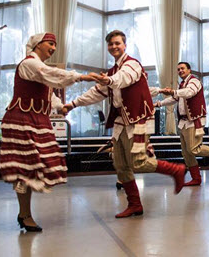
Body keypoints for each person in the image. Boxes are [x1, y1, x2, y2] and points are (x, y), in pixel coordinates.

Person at [63, 30, 186, 218]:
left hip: (139, 121)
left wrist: (110, 80)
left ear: (124, 45)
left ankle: (176, 170)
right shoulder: (112, 71)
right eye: (111, 44)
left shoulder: (132, 65)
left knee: (138, 162)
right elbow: (96, 93)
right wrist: (72, 104)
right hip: (121, 122)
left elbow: (123, 78)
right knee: (120, 165)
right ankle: (135, 204)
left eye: (117, 43)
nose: (114, 47)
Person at [0, 33, 99, 232]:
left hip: (38, 120)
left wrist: (62, 107)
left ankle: (23, 210)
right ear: (37, 44)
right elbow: (51, 75)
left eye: (55, 44)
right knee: (26, 168)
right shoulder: (30, 64)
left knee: (36, 166)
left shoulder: (40, 70)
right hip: (23, 119)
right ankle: (24, 213)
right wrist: (81, 77)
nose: (53, 48)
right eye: (50, 43)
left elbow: (48, 91)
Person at [155, 62, 209, 187]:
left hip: (194, 121)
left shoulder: (194, 81)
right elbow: (176, 98)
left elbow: (189, 93)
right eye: (178, 69)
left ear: (189, 70)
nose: (180, 71)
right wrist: (159, 104)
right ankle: (196, 178)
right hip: (184, 122)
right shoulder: (182, 85)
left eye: (182, 68)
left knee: (194, 148)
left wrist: (173, 91)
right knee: (186, 153)